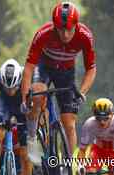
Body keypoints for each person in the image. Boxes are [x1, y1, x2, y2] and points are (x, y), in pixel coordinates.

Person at [20, 1, 96, 154]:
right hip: (44, 67)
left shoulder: (85, 36)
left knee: (69, 124)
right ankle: (33, 137)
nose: (65, 35)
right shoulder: (43, 33)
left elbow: (91, 69)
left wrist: (82, 92)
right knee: (38, 94)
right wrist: (24, 99)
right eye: (60, 30)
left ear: (76, 25)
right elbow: (28, 68)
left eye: (69, 30)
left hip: (66, 72)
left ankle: (67, 164)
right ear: (54, 26)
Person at [0, 58, 34, 175]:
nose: (10, 91)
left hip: (22, 101)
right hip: (4, 104)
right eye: (7, 88)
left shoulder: (28, 77)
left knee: (26, 153)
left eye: (14, 87)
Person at [77, 98, 114, 175]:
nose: (102, 122)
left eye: (106, 118)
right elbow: (82, 150)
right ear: (94, 116)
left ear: (112, 115)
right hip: (98, 151)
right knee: (89, 172)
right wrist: (80, 165)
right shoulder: (89, 124)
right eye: (98, 118)